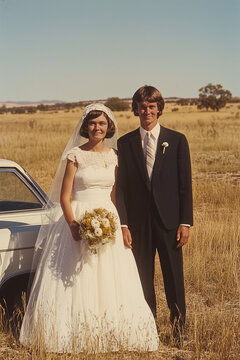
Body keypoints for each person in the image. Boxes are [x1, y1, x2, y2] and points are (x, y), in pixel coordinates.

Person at [19, 103, 159, 353]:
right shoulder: (75, 155)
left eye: (102, 123)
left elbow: (117, 195)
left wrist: (121, 225)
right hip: (78, 218)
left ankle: (110, 332)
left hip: (109, 219)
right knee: (75, 276)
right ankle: (71, 334)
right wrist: (74, 225)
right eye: (93, 123)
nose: (97, 127)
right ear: (86, 126)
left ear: (109, 127)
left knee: (110, 275)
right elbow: (64, 196)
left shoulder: (115, 156)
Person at [116, 86, 193, 341]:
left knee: (174, 278)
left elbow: (185, 185)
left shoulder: (177, 140)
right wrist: (124, 225)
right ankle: (148, 330)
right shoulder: (124, 143)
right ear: (135, 109)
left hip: (170, 222)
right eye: (142, 106)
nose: (147, 111)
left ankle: (179, 329)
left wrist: (185, 222)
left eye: (151, 106)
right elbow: (123, 189)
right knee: (142, 279)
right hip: (138, 224)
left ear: (159, 108)